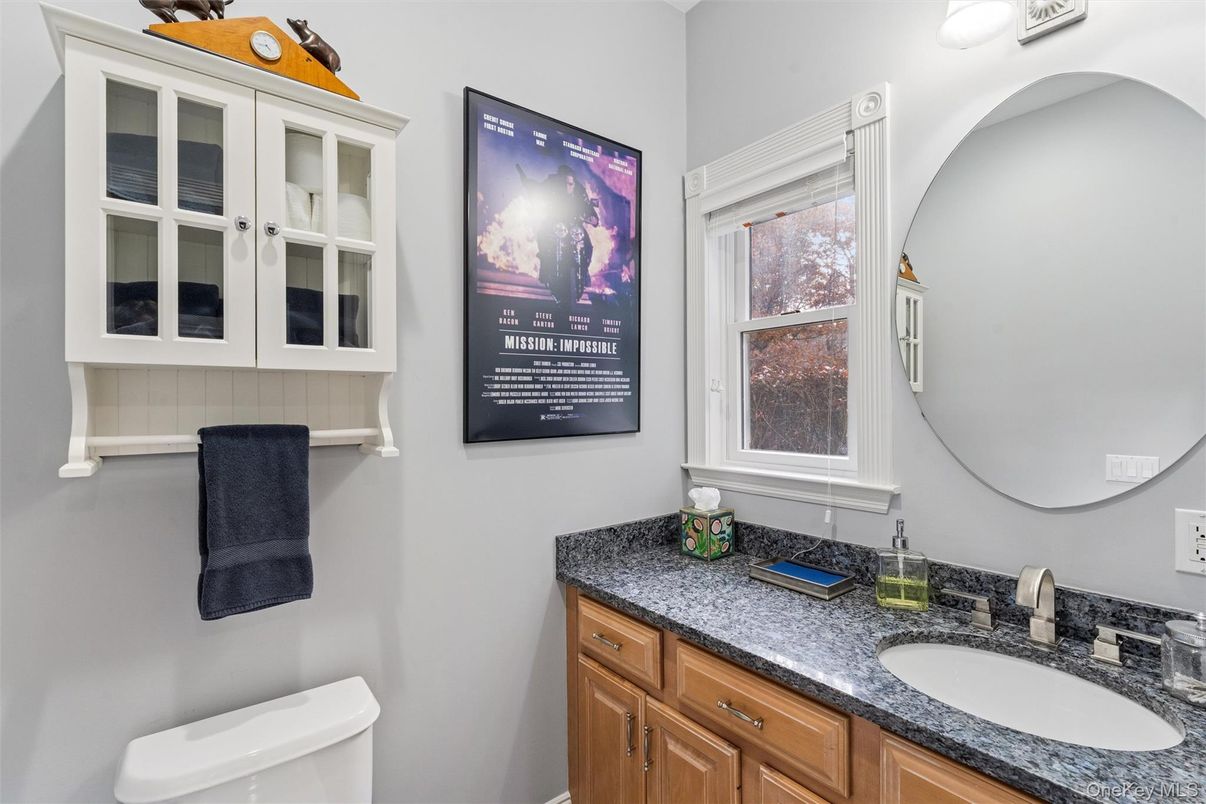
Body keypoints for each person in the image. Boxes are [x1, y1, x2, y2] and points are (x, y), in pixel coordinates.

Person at [517, 164, 599, 301]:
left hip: (574, 224)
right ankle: (545, 268)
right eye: (564, 183)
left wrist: (593, 218)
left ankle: (584, 271)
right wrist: (526, 182)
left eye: (570, 184)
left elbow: (587, 206)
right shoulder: (551, 183)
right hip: (554, 221)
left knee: (588, 245)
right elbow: (538, 189)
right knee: (542, 235)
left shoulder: (579, 189)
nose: (567, 187)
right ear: (558, 179)